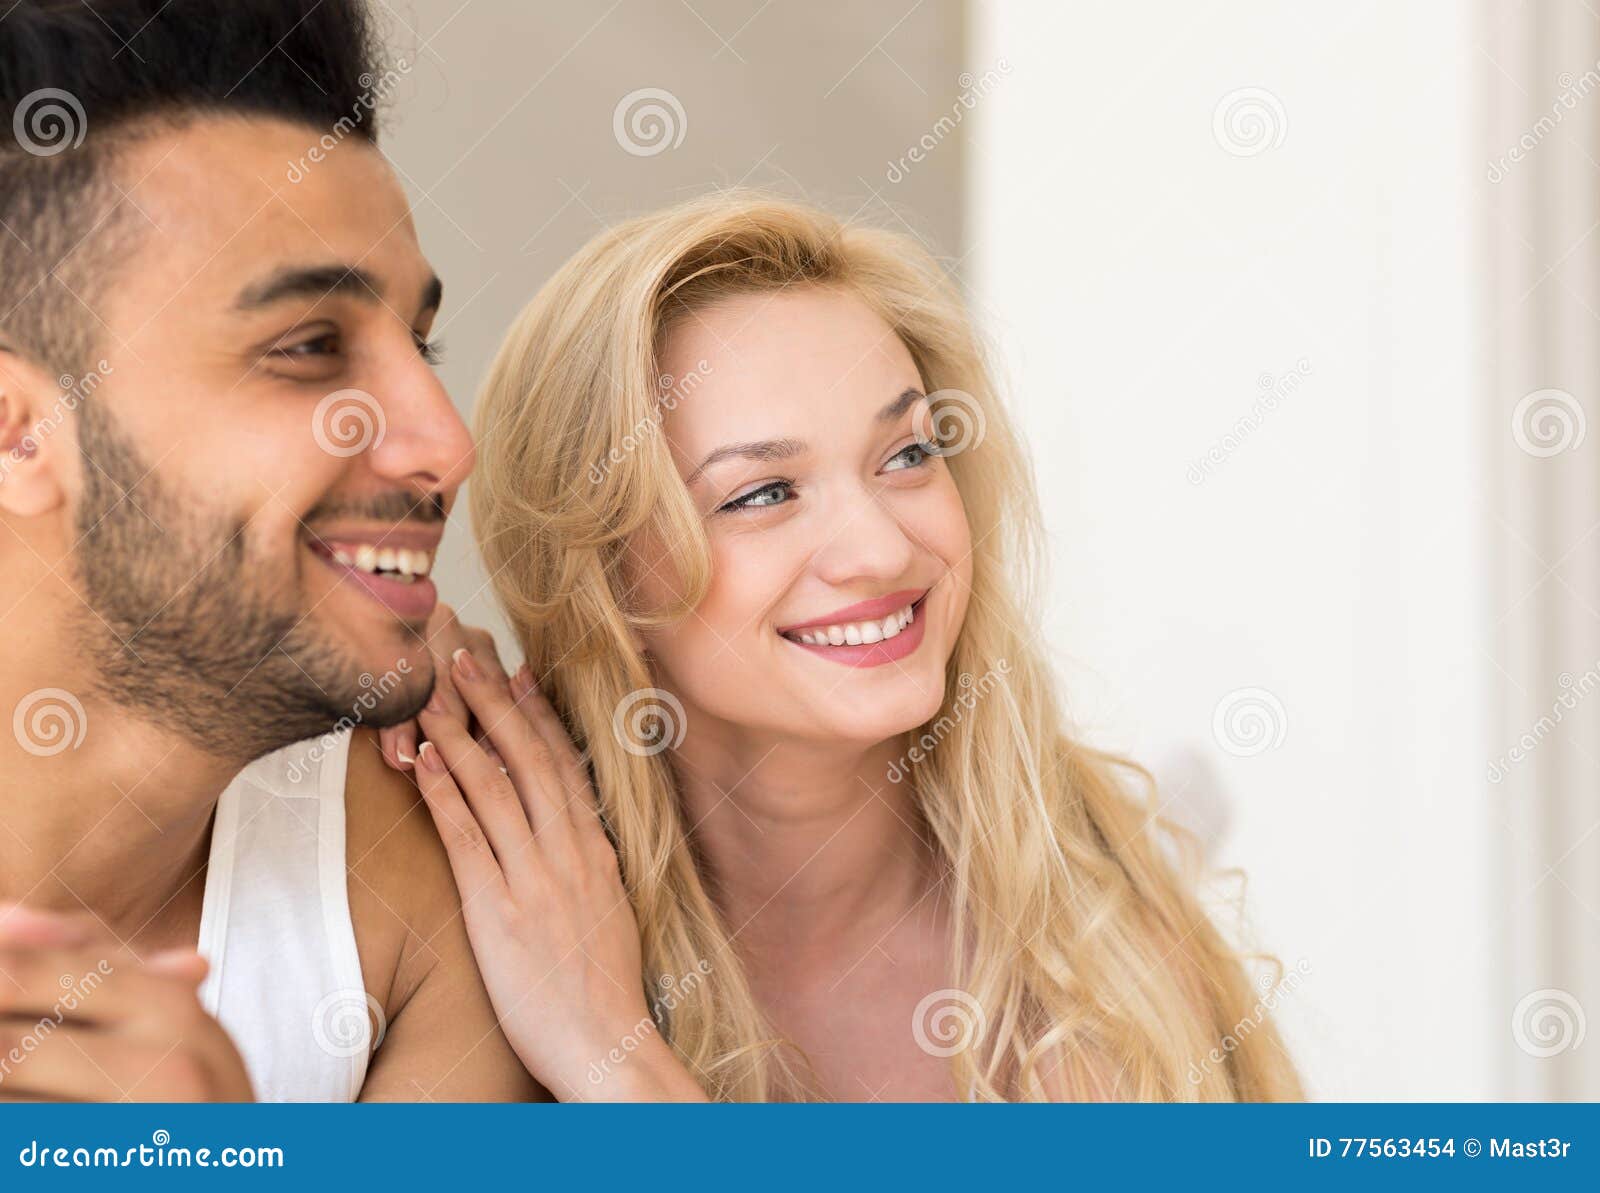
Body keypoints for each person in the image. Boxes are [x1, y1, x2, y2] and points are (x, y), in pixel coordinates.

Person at [386, 192, 1305, 1100]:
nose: (882, 550)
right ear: (603, 575)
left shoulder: (1099, 945)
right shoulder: (497, 923)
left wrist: (612, 1057)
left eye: (907, 454)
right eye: (762, 493)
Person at [0, 0, 533, 1101]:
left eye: (418, 341)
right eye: (306, 347)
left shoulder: (418, 874)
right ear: (17, 429)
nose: (446, 442)